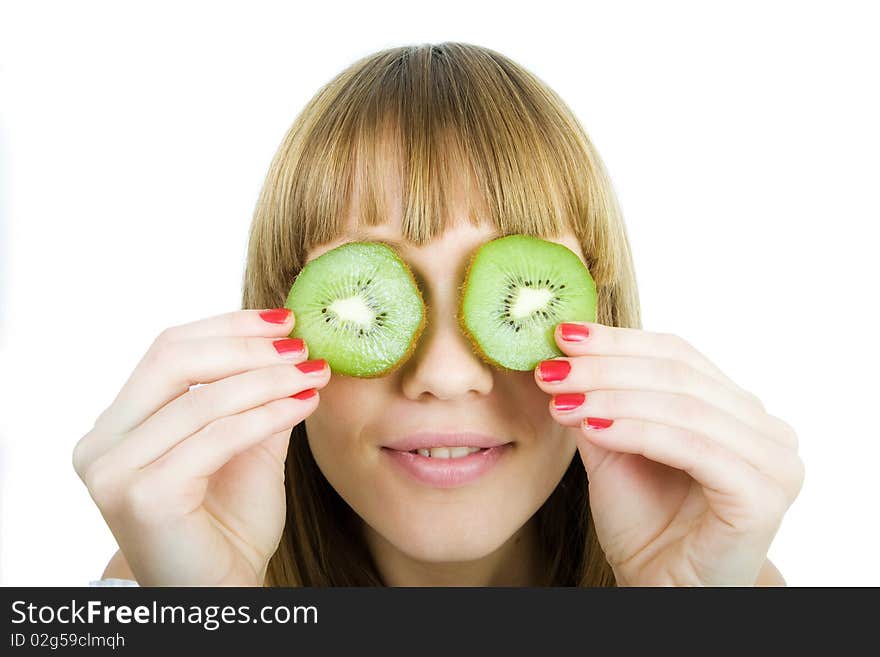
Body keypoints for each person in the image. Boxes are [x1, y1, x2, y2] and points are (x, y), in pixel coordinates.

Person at [72, 42, 804, 586]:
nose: (448, 376)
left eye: (503, 298)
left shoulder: (729, 586)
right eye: (383, 288)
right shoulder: (154, 585)